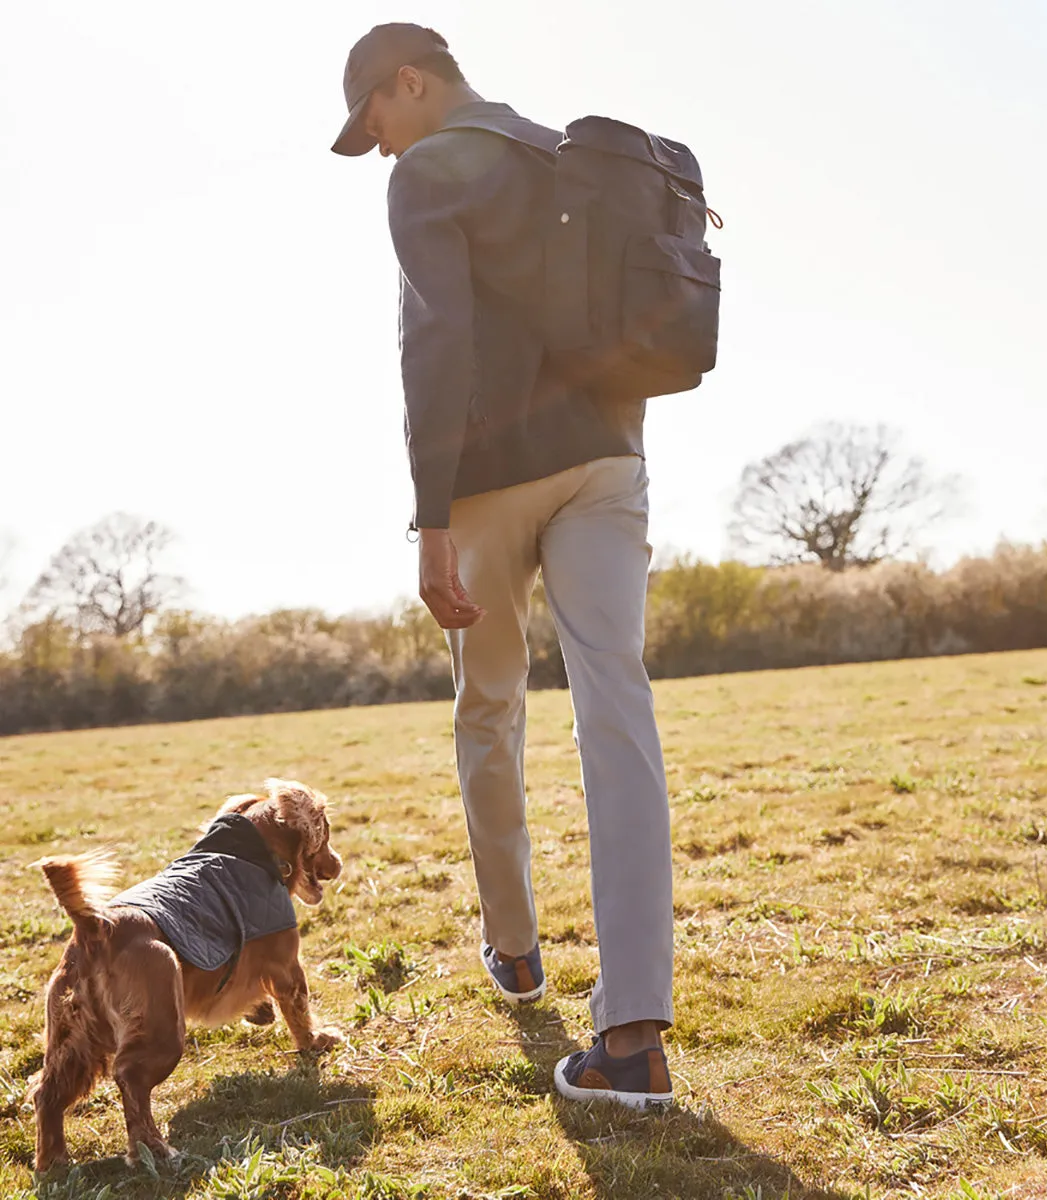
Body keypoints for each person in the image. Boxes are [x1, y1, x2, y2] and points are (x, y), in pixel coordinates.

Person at [332, 23, 674, 1108]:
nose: (379, 148)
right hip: (612, 462)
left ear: (410, 82)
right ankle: (632, 1041)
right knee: (615, 709)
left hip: (490, 477)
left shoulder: (433, 172)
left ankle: (516, 950)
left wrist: (430, 517)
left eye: (373, 122)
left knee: (489, 709)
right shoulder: (574, 152)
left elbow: (433, 339)